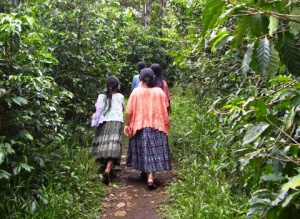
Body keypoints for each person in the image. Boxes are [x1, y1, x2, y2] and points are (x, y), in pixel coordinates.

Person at [124, 68, 171, 189]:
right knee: (154, 151)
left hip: (140, 125)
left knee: (144, 150)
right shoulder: (159, 92)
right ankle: (150, 176)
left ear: (140, 78)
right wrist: (165, 123)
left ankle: (147, 175)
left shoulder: (136, 92)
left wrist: (127, 124)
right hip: (157, 125)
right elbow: (165, 108)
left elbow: (129, 111)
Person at [91, 76, 124, 183]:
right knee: (113, 146)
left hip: (104, 121)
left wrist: (94, 121)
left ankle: (103, 167)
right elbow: (122, 108)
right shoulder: (120, 96)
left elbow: (98, 109)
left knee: (104, 145)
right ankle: (108, 168)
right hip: (116, 121)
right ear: (117, 86)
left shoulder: (101, 96)